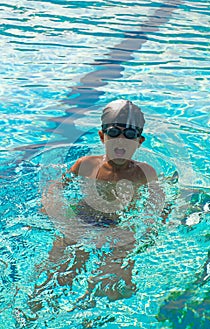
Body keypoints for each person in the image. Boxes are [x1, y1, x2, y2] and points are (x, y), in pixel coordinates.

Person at [37, 99, 164, 306]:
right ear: (102, 136)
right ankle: (38, 304)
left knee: (111, 284)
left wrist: (151, 230)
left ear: (139, 141)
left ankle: (88, 308)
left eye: (129, 135)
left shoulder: (144, 173)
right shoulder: (85, 164)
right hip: (82, 218)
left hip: (119, 226)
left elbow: (159, 203)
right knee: (57, 271)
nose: (121, 140)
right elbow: (57, 186)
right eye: (114, 133)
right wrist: (51, 207)